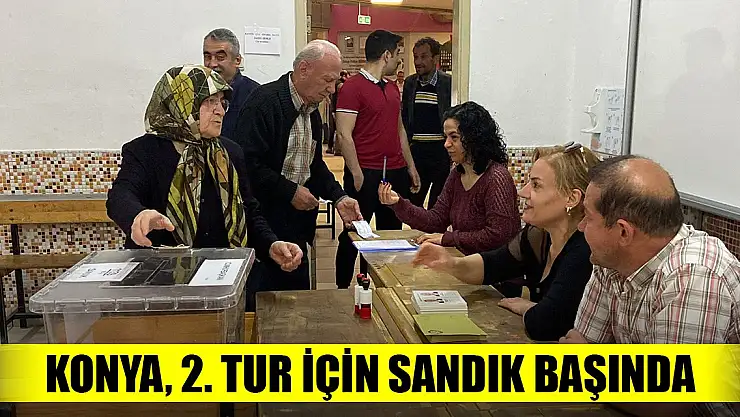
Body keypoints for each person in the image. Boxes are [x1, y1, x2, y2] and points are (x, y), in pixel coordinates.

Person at [106, 65, 302, 308]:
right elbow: (121, 195)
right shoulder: (145, 151)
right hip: (161, 285)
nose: (220, 110)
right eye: (210, 101)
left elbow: (249, 211)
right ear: (181, 103)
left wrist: (271, 244)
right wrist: (139, 215)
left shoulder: (229, 152)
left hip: (221, 281)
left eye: (222, 102)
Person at [560, 155, 740, 417]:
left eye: (587, 217)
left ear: (623, 232)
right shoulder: (609, 259)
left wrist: (589, 374)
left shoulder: (694, 274)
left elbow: (668, 404)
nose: (580, 226)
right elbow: (581, 344)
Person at [412, 142, 602, 341]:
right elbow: (493, 265)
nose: (523, 192)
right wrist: (451, 263)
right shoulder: (538, 236)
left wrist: (529, 308)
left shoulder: (585, 250)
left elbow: (545, 323)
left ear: (571, 198)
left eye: (536, 185)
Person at [233, 40, 363, 291]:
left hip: (297, 224)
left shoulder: (311, 110)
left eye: (335, 81)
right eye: (327, 80)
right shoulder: (264, 103)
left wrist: (339, 197)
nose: (332, 89)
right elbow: (247, 165)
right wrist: (290, 191)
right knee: (269, 297)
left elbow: (314, 164)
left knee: (297, 295)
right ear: (304, 69)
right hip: (265, 225)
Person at [334, 29, 421, 289]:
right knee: (353, 232)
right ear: (386, 55)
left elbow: (399, 129)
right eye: (397, 54)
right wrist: (357, 173)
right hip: (366, 172)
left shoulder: (392, 88)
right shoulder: (352, 88)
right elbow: (344, 134)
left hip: (394, 171)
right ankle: (341, 288)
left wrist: (411, 166)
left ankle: (387, 286)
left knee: (391, 233)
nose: (400, 60)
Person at [378, 101, 520, 256]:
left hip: (495, 268)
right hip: (468, 261)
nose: (446, 144)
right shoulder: (457, 174)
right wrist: (398, 203)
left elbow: (498, 235)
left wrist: (448, 238)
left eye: (454, 137)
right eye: (446, 137)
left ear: (474, 138)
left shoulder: (497, 178)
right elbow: (436, 220)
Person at [402, 37, 453, 209]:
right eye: (415, 57)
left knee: (437, 206)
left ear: (435, 58)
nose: (418, 62)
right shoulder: (410, 84)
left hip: (440, 153)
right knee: (413, 204)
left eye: (423, 57)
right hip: (416, 153)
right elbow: (405, 117)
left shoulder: (447, 83)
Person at [203, 28, 260, 141]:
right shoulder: (197, 91)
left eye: (220, 57)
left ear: (237, 60)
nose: (212, 64)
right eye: (207, 57)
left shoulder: (256, 96)